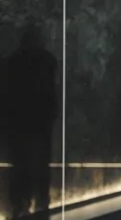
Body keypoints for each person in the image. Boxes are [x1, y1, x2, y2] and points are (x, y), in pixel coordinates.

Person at [6, 28, 59, 218]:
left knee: (21, 164)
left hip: (20, 123)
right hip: (39, 122)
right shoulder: (48, 61)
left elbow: (8, 94)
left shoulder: (13, 62)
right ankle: (40, 201)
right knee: (39, 163)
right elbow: (50, 91)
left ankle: (21, 202)